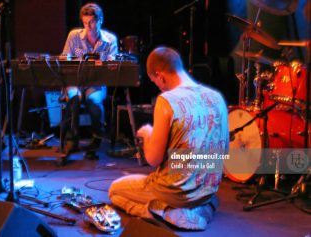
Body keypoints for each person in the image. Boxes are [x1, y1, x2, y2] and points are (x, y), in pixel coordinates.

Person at [109, 47, 229, 230]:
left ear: (160, 75)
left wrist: (148, 134)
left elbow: (153, 159)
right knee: (207, 195)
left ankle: (165, 213)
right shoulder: (216, 97)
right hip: (207, 190)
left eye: (156, 82)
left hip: (176, 191)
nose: (159, 86)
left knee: (115, 190)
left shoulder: (167, 100)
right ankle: (202, 208)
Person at [61, 3, 118, 157]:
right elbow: (64, 57)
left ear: (100, 20)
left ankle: (97, 138)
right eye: (85, 23)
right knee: (74, 98)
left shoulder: (110, 40)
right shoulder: (74, 36)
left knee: (93, 101)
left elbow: (112, 65)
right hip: (76, 81)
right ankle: (72, 140)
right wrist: (66, 59)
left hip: (97, 82)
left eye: (92, 22)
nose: (88, 26)